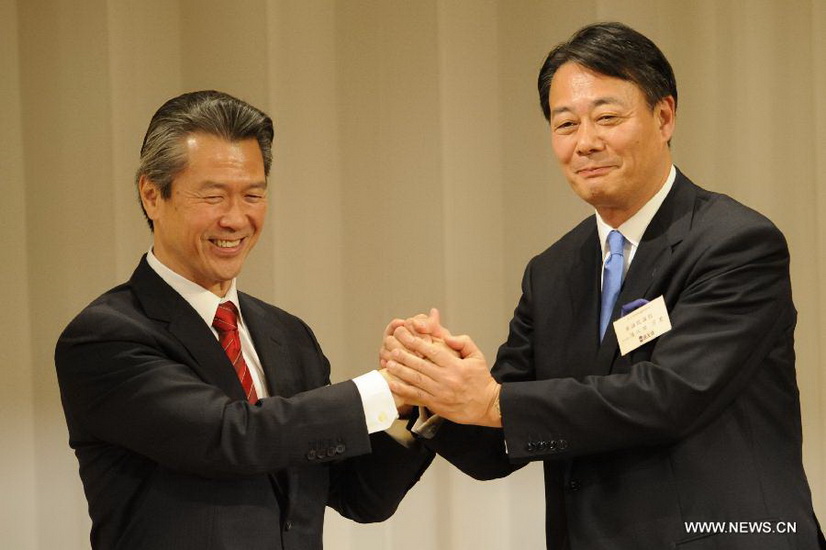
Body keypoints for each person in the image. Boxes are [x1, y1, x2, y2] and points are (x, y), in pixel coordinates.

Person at [382, 22, 825, 549]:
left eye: (608, 118)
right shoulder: (551, 271)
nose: (586, 143)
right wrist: (434, 391)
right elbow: (498, 444)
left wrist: (492, 402)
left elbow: (670, 397)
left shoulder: (736, 243)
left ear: (664, 117)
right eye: (565, 124)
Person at [55, 90, 432, 550]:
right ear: (152, 195)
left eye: (252, 195)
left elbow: (358, 497)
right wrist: (380, 389)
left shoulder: (287, 335)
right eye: (213, 196)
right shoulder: (106, 336)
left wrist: (413, 400)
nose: (236, 219)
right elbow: (231, 437)